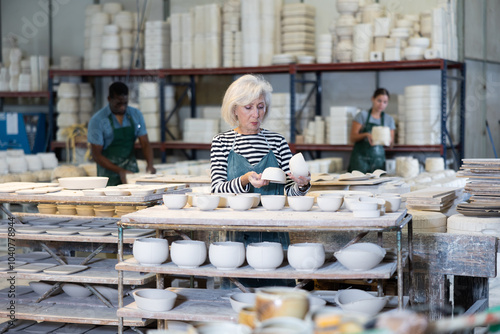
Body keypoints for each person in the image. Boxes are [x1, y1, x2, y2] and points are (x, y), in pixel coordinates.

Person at [211, 74, 311, 287]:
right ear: (234, 108)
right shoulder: (221, 142)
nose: (256, 114)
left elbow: (289, 193)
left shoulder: (277, 142)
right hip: (236, 236)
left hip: (274, 233)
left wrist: (302, 186)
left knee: (277, 298)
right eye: (248, 107)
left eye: (261, 107)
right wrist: (245, 180)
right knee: (239, 299)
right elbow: (217, 189)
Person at [88, 82, 156, 186]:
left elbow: (145, 143)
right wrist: (120, 171)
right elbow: (96, 155)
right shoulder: (98, 120)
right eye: (118, 103)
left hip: (131, 170)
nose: (122, 107)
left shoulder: (136, 115)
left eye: (125, 103)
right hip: (108, 175)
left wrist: (150, 165)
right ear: (109, 99)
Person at [348, 88, 395, 173]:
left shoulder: (389, 120)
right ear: (373, 99)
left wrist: (386, 140)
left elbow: (391, 144)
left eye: (385, 102)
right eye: (379, 100)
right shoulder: (362, 115)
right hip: (360, 160)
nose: (381, 104)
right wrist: (366, 135)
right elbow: (352, 137)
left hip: (378, 160)